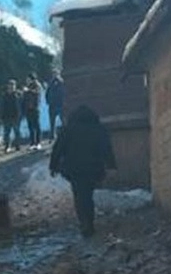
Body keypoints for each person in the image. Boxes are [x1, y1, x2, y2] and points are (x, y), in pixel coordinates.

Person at [49, 105, 116, 238]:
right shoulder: (98, 129)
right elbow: (106, 149)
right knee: (88, 195)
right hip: (93, 168)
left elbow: (58, 148)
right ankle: (89, 222)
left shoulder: (68, 130)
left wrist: (53, 166)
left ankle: (84, 222)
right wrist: (111, 165)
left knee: (79, 196)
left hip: (75, 169)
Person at [0, 80, 22, 152]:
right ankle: (7, 146)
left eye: (13, 85)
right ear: (8, 86)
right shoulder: (4, 95)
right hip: (7, 116)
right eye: (10, 85)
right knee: (7, 133)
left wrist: (21, 114)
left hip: (16, 116)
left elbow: (21, 105)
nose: (11, 87)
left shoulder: (18, 95)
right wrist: (1, 115)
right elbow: (1, 106)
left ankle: (17, 146)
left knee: (17, 132)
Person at [22, 73, 43, 149]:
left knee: (37, 126)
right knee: (30, 127)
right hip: (28, 109)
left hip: (35, 108)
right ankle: (32, 143)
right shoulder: (28, 86)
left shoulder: (37, 85)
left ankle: (38, 142)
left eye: (28, 79)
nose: (27, 81)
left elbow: (36, 93)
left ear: (32, 79)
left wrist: (28, 91)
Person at [45, 71, 65, 141]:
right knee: (52, 122)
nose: (54, 75)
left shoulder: (61, 82)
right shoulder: (50, 83)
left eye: (56, 74)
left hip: (59, 104)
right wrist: (48, 101)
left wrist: (62, 101)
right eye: (53, 74)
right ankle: (52, 135)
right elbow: (47, 92)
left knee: (63, 120)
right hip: (52, 105)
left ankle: (66, 133)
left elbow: (63, 92)